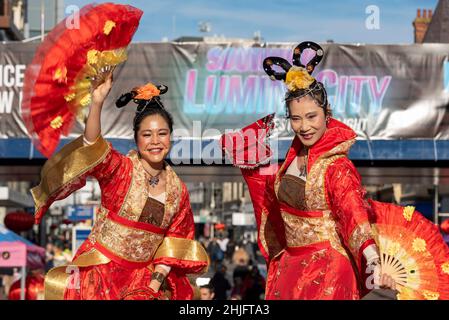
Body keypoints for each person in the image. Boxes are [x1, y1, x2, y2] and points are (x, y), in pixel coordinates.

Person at [220, 42, 396, 300]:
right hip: (291, 266)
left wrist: (373, 262)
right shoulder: (292, 158)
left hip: (329, 270)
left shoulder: (337, 166)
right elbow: (272, 201)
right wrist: (253, 161)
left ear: (327, 114)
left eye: (311, 116)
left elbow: (353, 214)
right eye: (296, 118)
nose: (304, 127)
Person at [30, 71, 209, 300]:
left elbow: (172, 246)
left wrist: (151, 288)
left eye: (162, 134)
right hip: (99, 276)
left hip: (144, 284)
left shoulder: (178, 191)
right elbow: (93, 147)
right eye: (147, 134)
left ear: (170, 137)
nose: (155, 141)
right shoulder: (121, 170)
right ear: (137, 139)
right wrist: (97, 102)